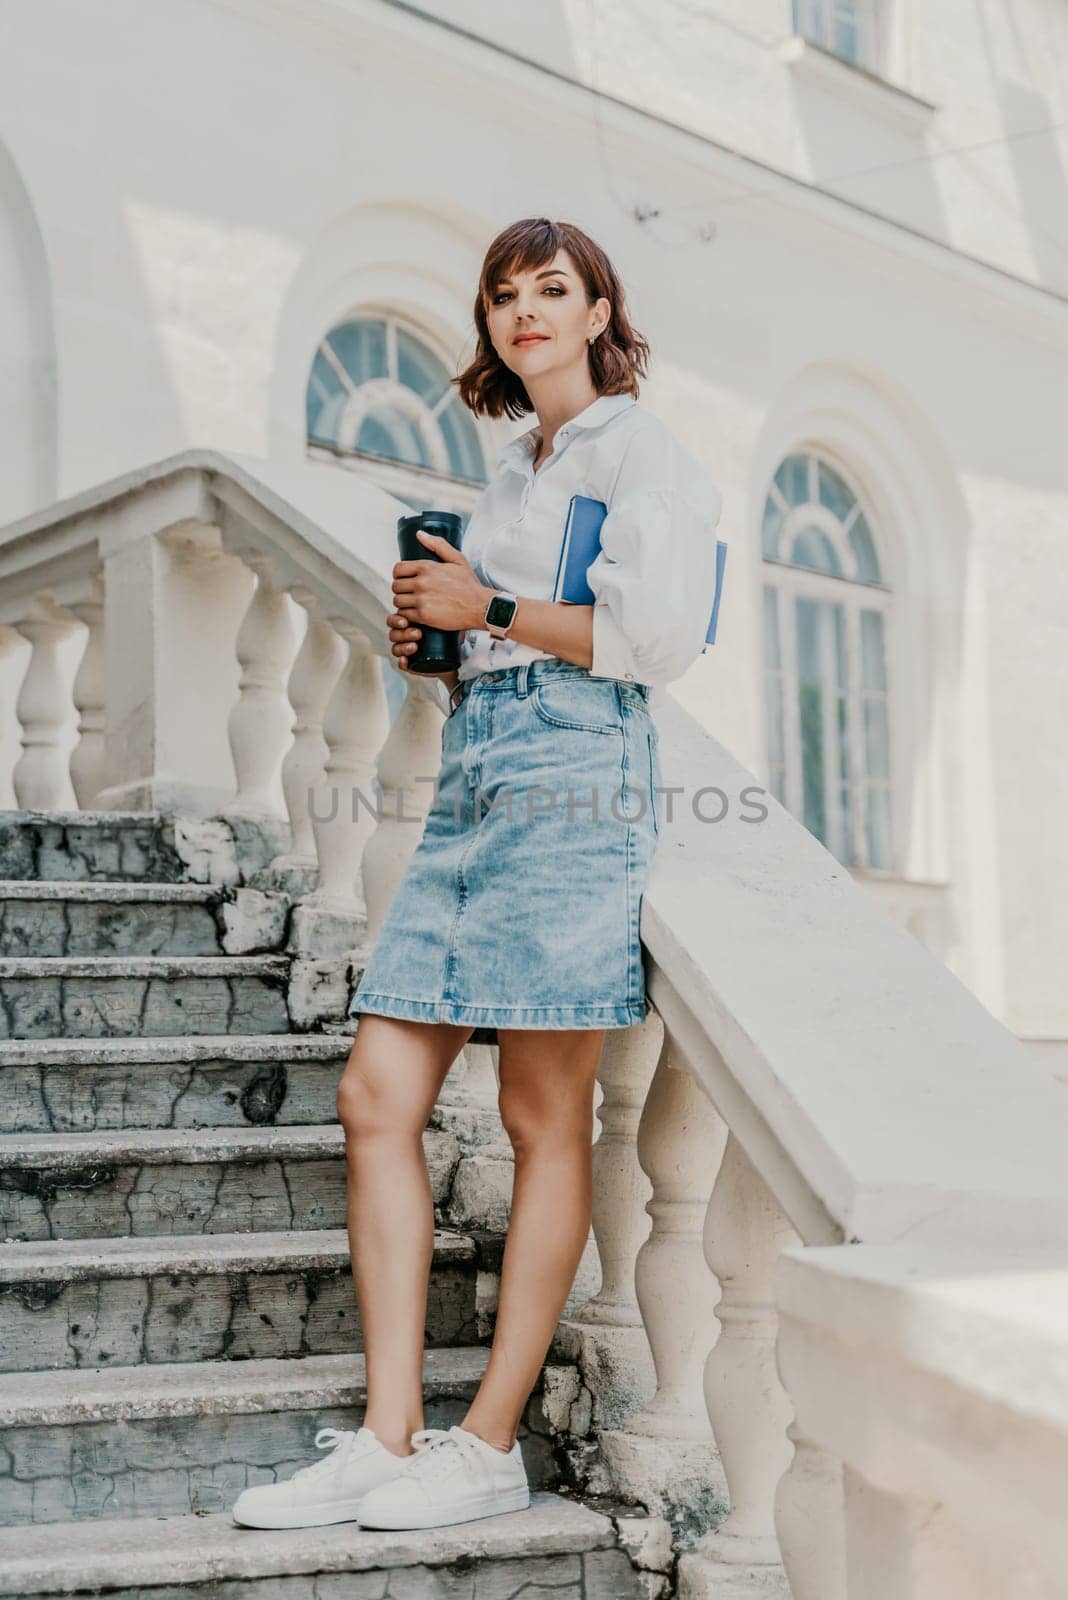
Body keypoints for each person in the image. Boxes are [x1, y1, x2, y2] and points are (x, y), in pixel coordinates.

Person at [231, 217, 723, 1535]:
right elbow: (497, 632)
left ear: (601, 306)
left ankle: (487, 1441)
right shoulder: (518, 469)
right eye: (504, 294)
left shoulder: (641, 452)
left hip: (575, 777)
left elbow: (654, 640)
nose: (524, 312)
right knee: (376, 1093)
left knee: (541, 1118)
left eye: (552, 289)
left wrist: (489, 612)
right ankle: (390, 1438)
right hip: (481, 769)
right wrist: (435, 636)